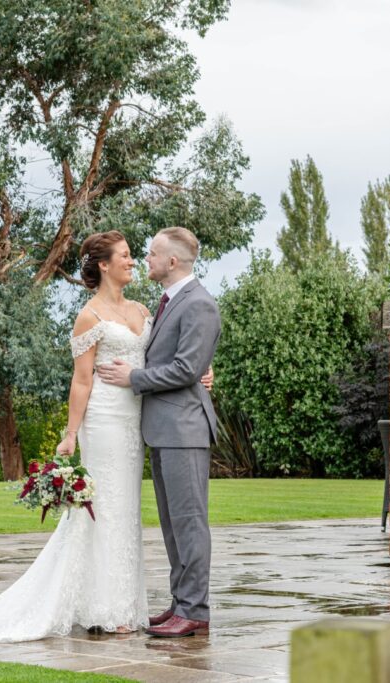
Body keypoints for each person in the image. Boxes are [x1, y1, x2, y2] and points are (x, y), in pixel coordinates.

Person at [0, 230, 211, 643]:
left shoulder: (146, 310)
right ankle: (104, 608)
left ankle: (128, 604)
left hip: (137, 423)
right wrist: (70, 434)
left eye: (138, 255)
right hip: (105, 420)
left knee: (126, 512)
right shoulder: (89, 316)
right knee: (102, 510)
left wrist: (200, 374)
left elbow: (172, 356)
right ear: (103, 265)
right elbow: (81, 381)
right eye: (126, 256)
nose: (135, 261)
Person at [97, 226, 220, 638]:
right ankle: (179, 604)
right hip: (163, 428)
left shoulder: (199, 304)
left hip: (184, 428)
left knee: (189, 522)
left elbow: (187, 368)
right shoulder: (169, 302)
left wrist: (135, 376)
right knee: (172, 524)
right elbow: (188, 366)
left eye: (151, 254)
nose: (144, 260)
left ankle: (195, 610)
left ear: (172, 261)